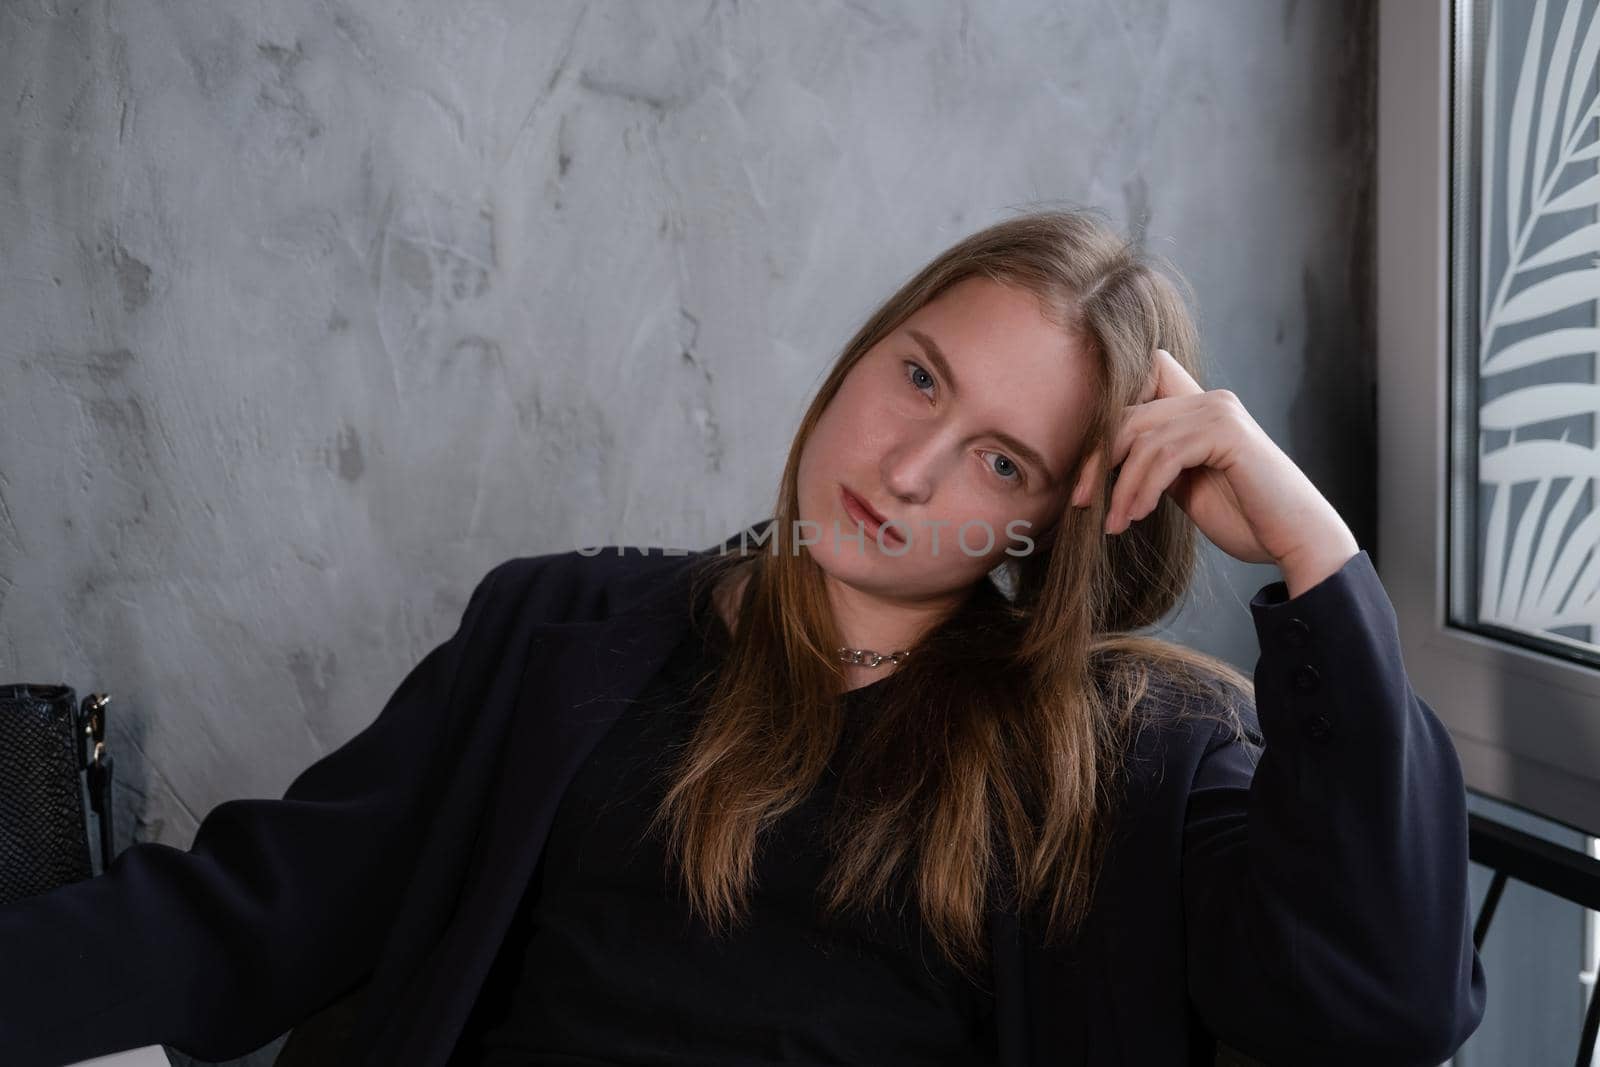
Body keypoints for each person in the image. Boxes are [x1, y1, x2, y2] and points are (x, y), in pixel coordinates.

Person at [0, 208, 1486, 1066]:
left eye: (1001, 460)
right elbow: (245, 918)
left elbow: (1387, 1006)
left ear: (1057, 518)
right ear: (866, 347)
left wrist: (1318, 558)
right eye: (917, 377)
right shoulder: (563, 627)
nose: (908, 469)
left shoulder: (1137, 761)